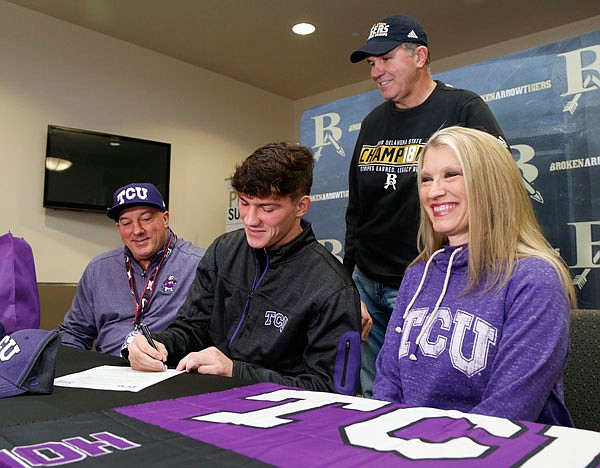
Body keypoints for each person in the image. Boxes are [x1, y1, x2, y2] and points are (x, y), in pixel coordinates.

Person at [346, 14, 508, 397]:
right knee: (374, 394)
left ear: (420, 56)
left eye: (385, 59)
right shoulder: (371, 123)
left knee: (427, 393)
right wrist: (348, 285)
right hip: (368, 281)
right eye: (371, 64)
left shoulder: (464, 109)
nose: (376, 72)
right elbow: (357, 209)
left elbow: (497, 191)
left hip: (433, 280)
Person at [373, 126, 575, 426]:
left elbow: (507, 412)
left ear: (491, 183)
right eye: (426, 179)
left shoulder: (534, 279)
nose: (434, 191)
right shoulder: (417, 275)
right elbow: (388, 384)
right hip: (409, 448)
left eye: (451, 174)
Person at [126, 143, 362, 395]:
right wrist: (157, 345)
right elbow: (191, 327)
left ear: (301, 206)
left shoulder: (331, 286)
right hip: (203, 397)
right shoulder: (224, 250)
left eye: (267, 208)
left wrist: (235, 372)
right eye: (244, 202)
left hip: (276, 417)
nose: (250, 219)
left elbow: (331, 389)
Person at [58, 182, 205, 357]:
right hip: (107, 371)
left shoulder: (199, 264)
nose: (137, 230)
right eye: (126, 223)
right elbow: (74, 333)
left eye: (146, 219)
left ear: (165, 219)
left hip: (170, 370)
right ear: (119, 228)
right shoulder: (99, 269)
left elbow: (208, 334)